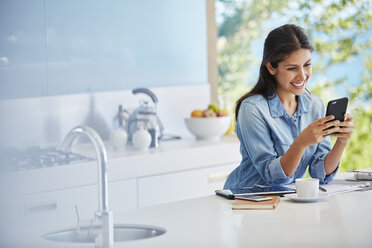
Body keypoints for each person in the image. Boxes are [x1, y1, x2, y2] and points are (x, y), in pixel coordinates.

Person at [224, 24, 354, 189]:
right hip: (246, 198)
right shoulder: (252, 109)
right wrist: (301, 143)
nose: (302, 76)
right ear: (271, 67)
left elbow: (319, 173)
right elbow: (272, 177)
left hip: (285, 200)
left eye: (307, 65)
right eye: (292, 68)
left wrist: (342, 141)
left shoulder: (315, 105)